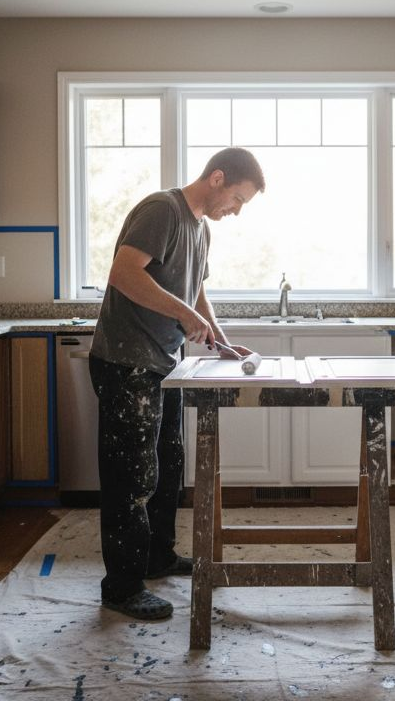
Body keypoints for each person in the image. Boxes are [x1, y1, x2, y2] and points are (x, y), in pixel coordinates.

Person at [90, 147, 265, 620]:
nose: (236, 210)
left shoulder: (200, 228)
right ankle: (122, 587)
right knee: (132, 477)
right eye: (237, 198)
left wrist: (222, 340)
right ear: (217, 178)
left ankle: (157, 556)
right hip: (126, 362)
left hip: (165, 364)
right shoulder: (161, 210)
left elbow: (196, 290)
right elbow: (124, 273)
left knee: (168, 465)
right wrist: (184, 314)